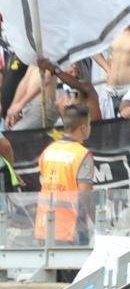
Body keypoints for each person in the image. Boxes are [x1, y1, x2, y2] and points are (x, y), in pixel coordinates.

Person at [34, 105, 94, 244]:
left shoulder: (48, 151)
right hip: (71, 228)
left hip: (44, 226)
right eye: (89, 124)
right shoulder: (83, 154)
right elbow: (85, 195)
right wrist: (97, 223)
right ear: (83, 128)